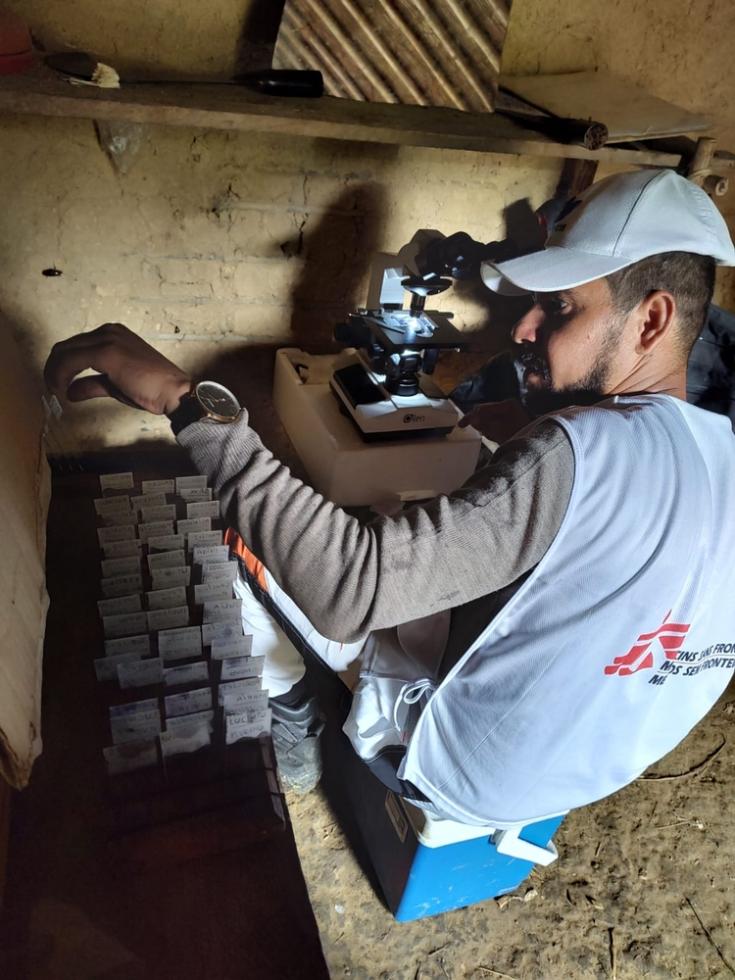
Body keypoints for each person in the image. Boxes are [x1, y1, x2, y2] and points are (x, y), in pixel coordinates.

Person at [45, 169, 735, 828]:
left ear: (649, 321)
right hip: (594, 762)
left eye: (557, 307)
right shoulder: (718, 450)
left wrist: (184, 402)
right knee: (407, 520)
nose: (523, 329)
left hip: (460, 772)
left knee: (236, 536)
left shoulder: (577, 450)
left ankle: (291, 714)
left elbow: (349, 589)